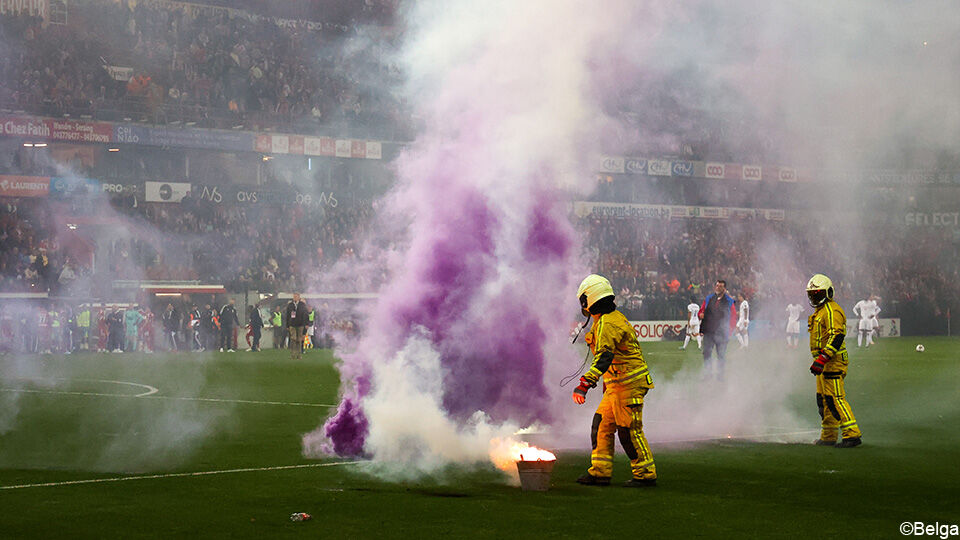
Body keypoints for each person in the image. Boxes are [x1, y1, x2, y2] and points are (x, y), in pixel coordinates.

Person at [572, 274, 657, 487]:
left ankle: (645, 474)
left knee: (629, 431)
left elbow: (604, 357)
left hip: (628, 385)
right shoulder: (611, 319)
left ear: (589, 299)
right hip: (618, 385)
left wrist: (584, 384)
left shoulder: (607, 323)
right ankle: (600, 472)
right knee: (601, 425)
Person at [806, 274, 862, 448]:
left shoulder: (832, 310)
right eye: (812, 294)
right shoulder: (820, 311)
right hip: (823, 362)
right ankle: (828, 436)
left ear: (829, 292)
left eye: (817, 294)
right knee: (823, 401)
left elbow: (837, 336)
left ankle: (852, 435)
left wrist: (823, 358)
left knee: (835, 399)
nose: (814, 298)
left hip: (833, 361)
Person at [698, 280, 737, 377]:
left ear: (724, 289)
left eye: (720, 286)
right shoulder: (708, 298)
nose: (718, 288)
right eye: (717, 286)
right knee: (707, 353)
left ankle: (720, 375)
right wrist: (700, 314)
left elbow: (733, 317)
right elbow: (701, 311)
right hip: (709, 331)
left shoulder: (729, 301)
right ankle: (708, 374)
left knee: (721, 355)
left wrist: (729, 331)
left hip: (722, 332)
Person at [285, 293, 308, 360]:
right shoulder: (290, 305)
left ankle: (299, 355)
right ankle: (293, 354)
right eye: (294, 297)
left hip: (300, 324)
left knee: (299, 340)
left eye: (296, 297)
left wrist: (305, 323)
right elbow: (288, 315)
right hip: (292, 324)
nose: (295, 298)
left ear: (299, 297)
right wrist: (287, 325)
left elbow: (305, 314)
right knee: (293, 339)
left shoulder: (302, 305)